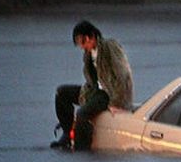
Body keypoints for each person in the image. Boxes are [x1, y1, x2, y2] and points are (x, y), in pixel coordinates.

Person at [51, 21, 134, 150]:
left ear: (91, 36)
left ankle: (82, 147)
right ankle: (67, 134)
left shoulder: (109, 46)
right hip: (93, 91)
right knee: (61, 93)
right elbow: (91, 79)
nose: (82, 47)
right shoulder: (88, 54)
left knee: (82, 114)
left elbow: (123, 74)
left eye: (83, 42)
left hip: (108, 93)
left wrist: (117, 102)